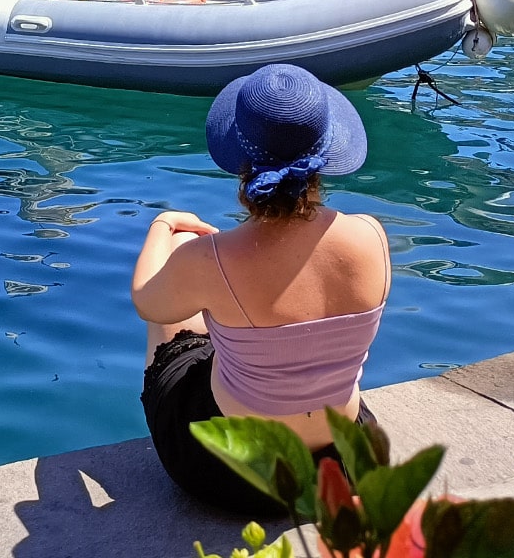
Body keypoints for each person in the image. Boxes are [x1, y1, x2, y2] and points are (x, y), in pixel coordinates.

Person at [132, 63, 391, 516]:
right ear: (325, 156)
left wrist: (165, 225)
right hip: (345, 461)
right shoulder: (371, 236)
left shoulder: (211, 258)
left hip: (234, 473)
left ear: (242, 161)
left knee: (174, 312)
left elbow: (146, 300)